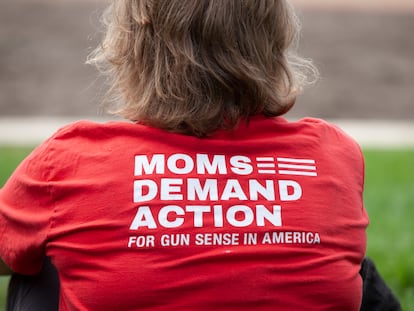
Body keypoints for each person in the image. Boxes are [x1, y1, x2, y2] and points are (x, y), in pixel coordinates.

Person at [0, 0, 373, 309]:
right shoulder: (334, 154)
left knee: (42, 250)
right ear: (273, 42)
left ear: (132, 46)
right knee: (352, 265)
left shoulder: (68, 160)